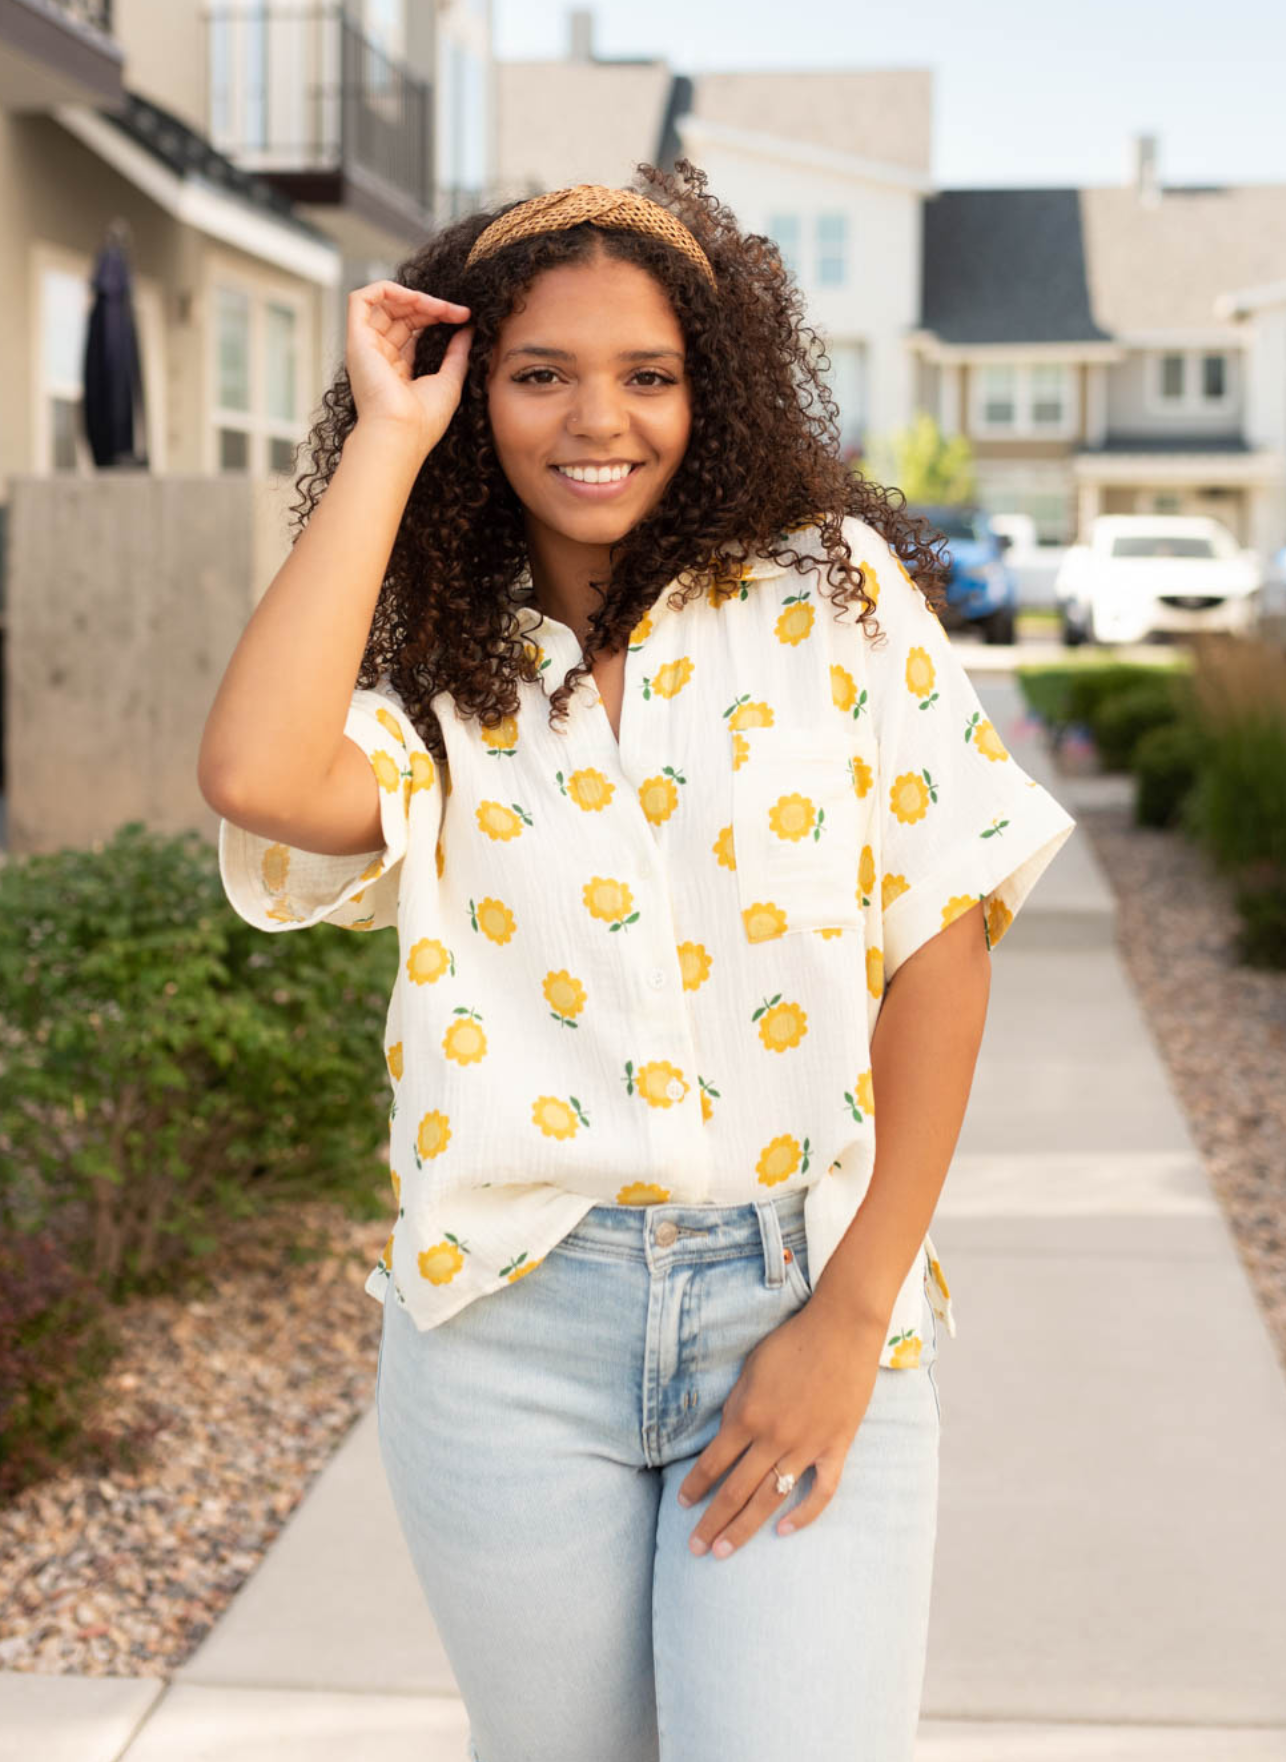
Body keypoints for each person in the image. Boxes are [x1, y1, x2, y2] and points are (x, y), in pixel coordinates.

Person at [199, 161, 1076, 1762]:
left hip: (795, 1291)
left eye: (647, 375)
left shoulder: (829, 599)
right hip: (509, 1334)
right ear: (480, 396)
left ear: (710, 392)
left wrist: (851, 1311)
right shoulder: (437, 670)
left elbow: (939, 961)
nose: (595, 418)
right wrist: (387, 438)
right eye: (538, 374)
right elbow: (259, 777)